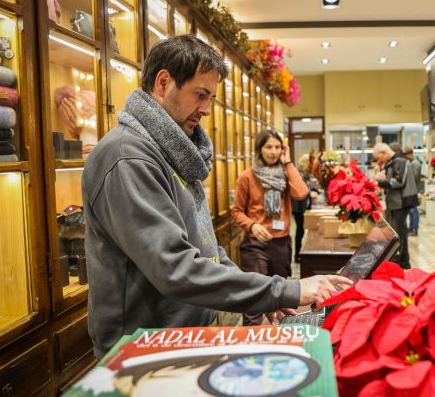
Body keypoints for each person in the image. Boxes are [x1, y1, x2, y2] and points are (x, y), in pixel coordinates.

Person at [82, 36, 351, 358]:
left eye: (211, 98)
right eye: (200, 95)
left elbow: (205, 250)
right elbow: (175, 268)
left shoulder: (172, 151)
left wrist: (267, 296)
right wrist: (285, 290)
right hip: (143, 346)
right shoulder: (128, 158)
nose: (207, 110)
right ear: (163, 82)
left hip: (180, 336)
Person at [231, 130, 309, 326]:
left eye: (277, 147)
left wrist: (288, 162)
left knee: (281, 296)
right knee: (254, 298)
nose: (273, 152)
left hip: (281, 244)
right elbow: (237, 211)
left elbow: (301, 193)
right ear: (260, 149)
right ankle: (250, 346)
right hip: (255, 244)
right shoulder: (247, 177)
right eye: (268, 147)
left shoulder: (285, 174)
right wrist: (252, 225)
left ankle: (281, 339)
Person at [373, 142, 418, 269]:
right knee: (396, 231)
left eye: (378, 157)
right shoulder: (393, 161)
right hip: (395, 203)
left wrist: (380, 182)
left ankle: (404, 261)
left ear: (384, 152)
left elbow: (398, 181)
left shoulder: (400, 161)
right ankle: (399, 258)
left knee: (401, 232)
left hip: (401, 203)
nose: (379, 160)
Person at [290, 152, 317, 264]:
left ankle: (299, 253)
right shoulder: (299, 174)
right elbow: (301, 190)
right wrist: (310, 192)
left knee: (301, 229)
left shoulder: (304, 174)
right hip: (298, 206)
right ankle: (297, 255)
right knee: (300, 229)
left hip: (302, 205)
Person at [404, 147, 424, 236]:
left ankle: (414, 229)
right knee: (411, 211)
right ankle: (411, 228)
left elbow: (414, 177)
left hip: (414, 190)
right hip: (412, 190)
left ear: (410, 154)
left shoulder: (415, 164)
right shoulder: (413, 163)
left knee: (413, 211)